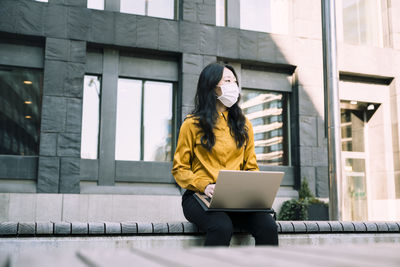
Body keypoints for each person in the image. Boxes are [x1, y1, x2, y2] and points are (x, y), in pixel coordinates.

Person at [171, 63, 278, 246]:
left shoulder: (244, 125)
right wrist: (204, 186)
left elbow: (251, 167)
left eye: (235, 81)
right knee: (221, 226)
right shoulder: (192, 124)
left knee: (268, 226)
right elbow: (179, 168)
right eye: (227, 81)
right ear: (212, 87)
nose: (233, 86)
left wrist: (255, 191)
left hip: (237, 199)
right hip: (199, 196)